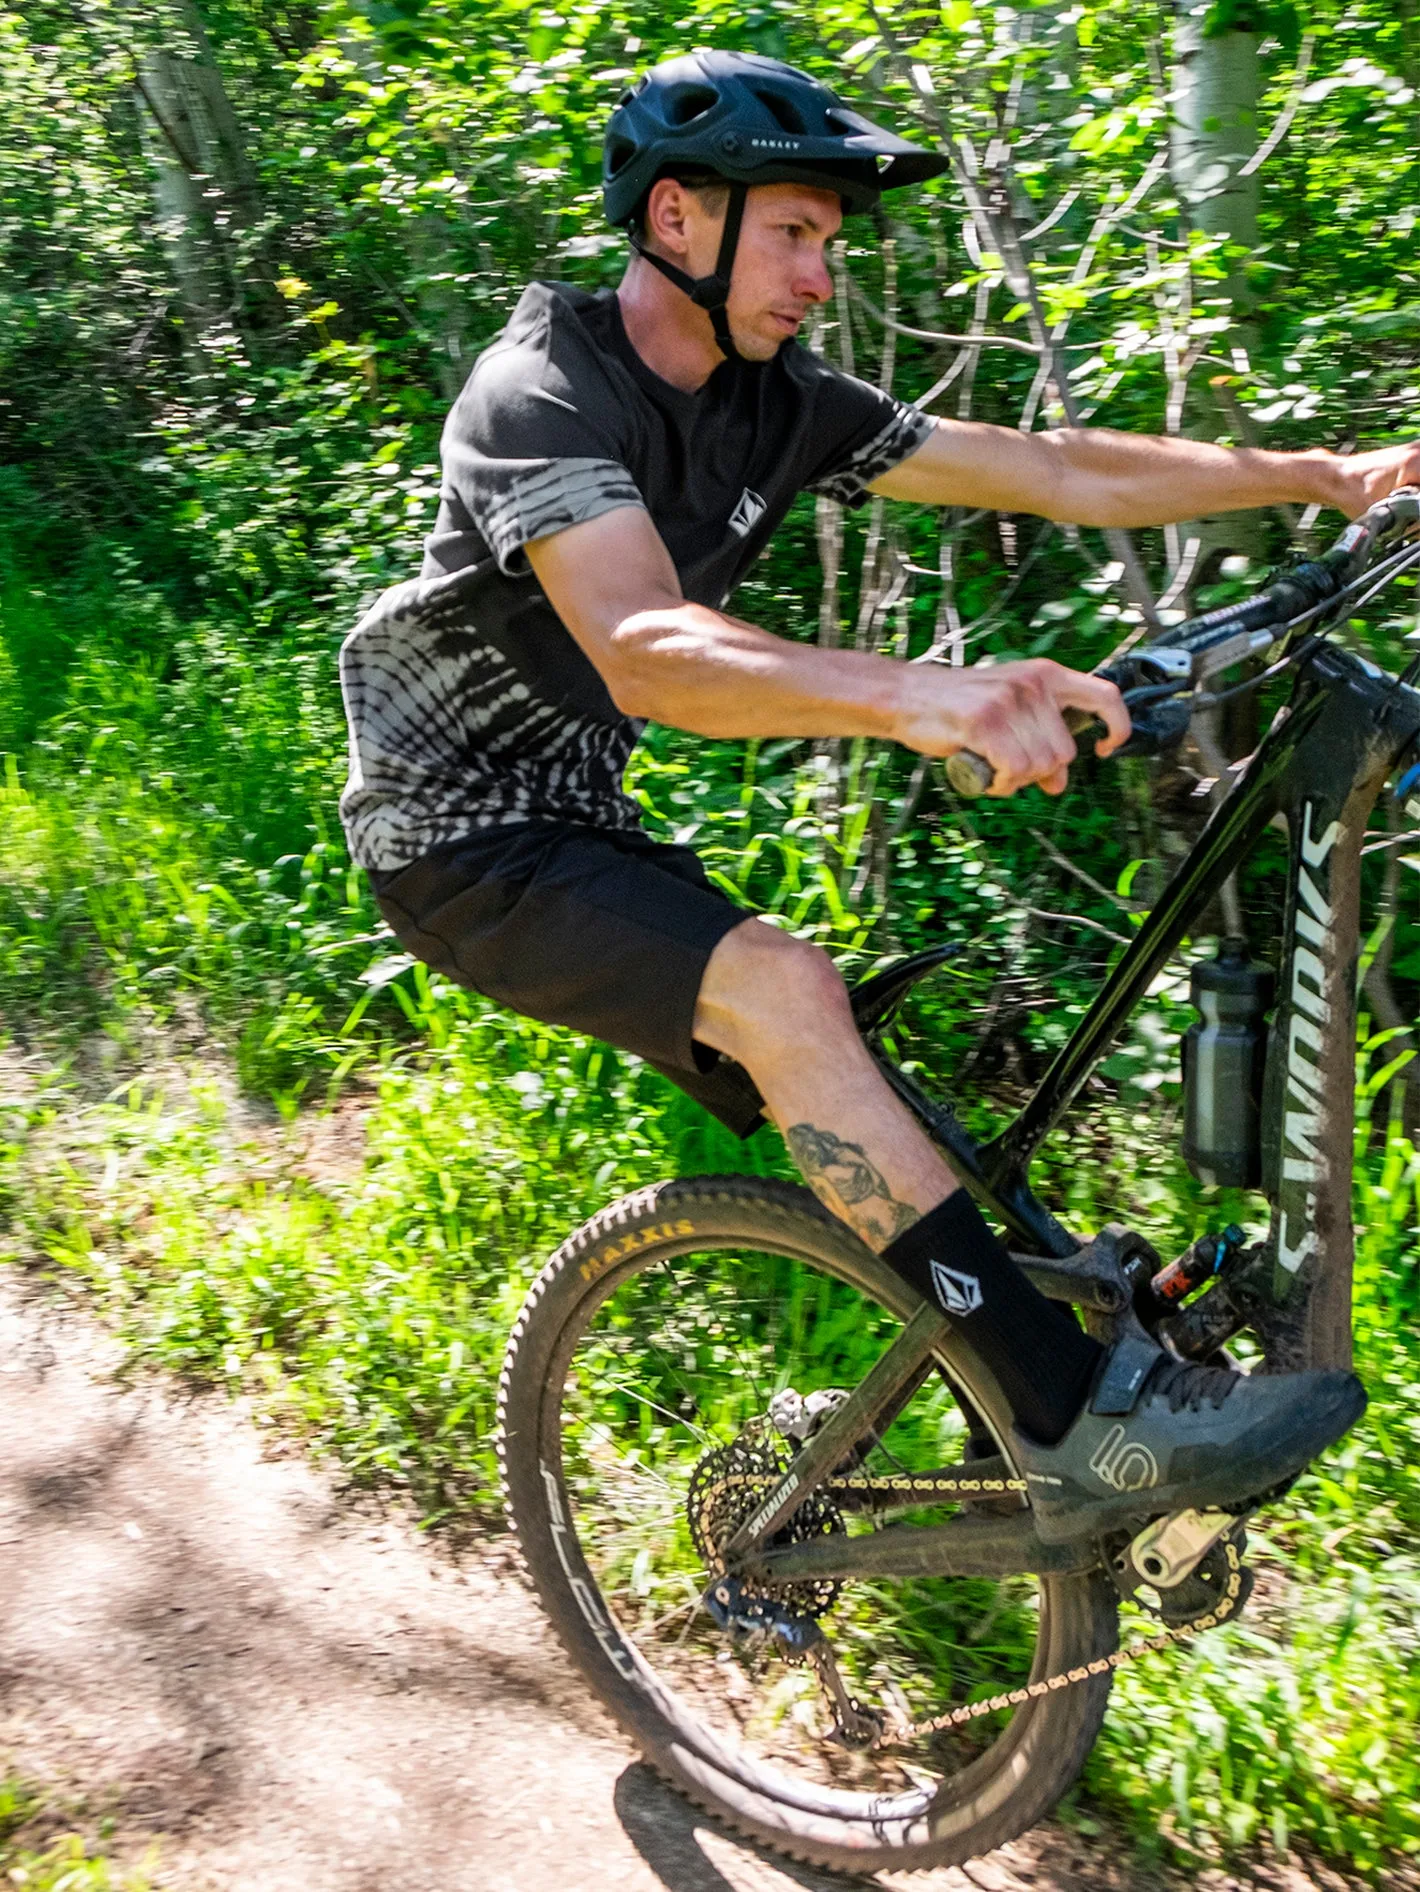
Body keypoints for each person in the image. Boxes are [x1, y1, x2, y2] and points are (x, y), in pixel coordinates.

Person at [339, 50, 1415, 1537]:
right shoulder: (540, 391)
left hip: (582, 824)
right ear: (675, 218)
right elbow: (647, 649)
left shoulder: (779, 402)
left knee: (862, 1070)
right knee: (784, 992)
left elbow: (1049, 470)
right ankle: (1077, 1430)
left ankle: (1027, 1399)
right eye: (793, 233)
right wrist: (927, 693)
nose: (820, 275)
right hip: (458, 848)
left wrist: (1325, 474)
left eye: (829, 243)